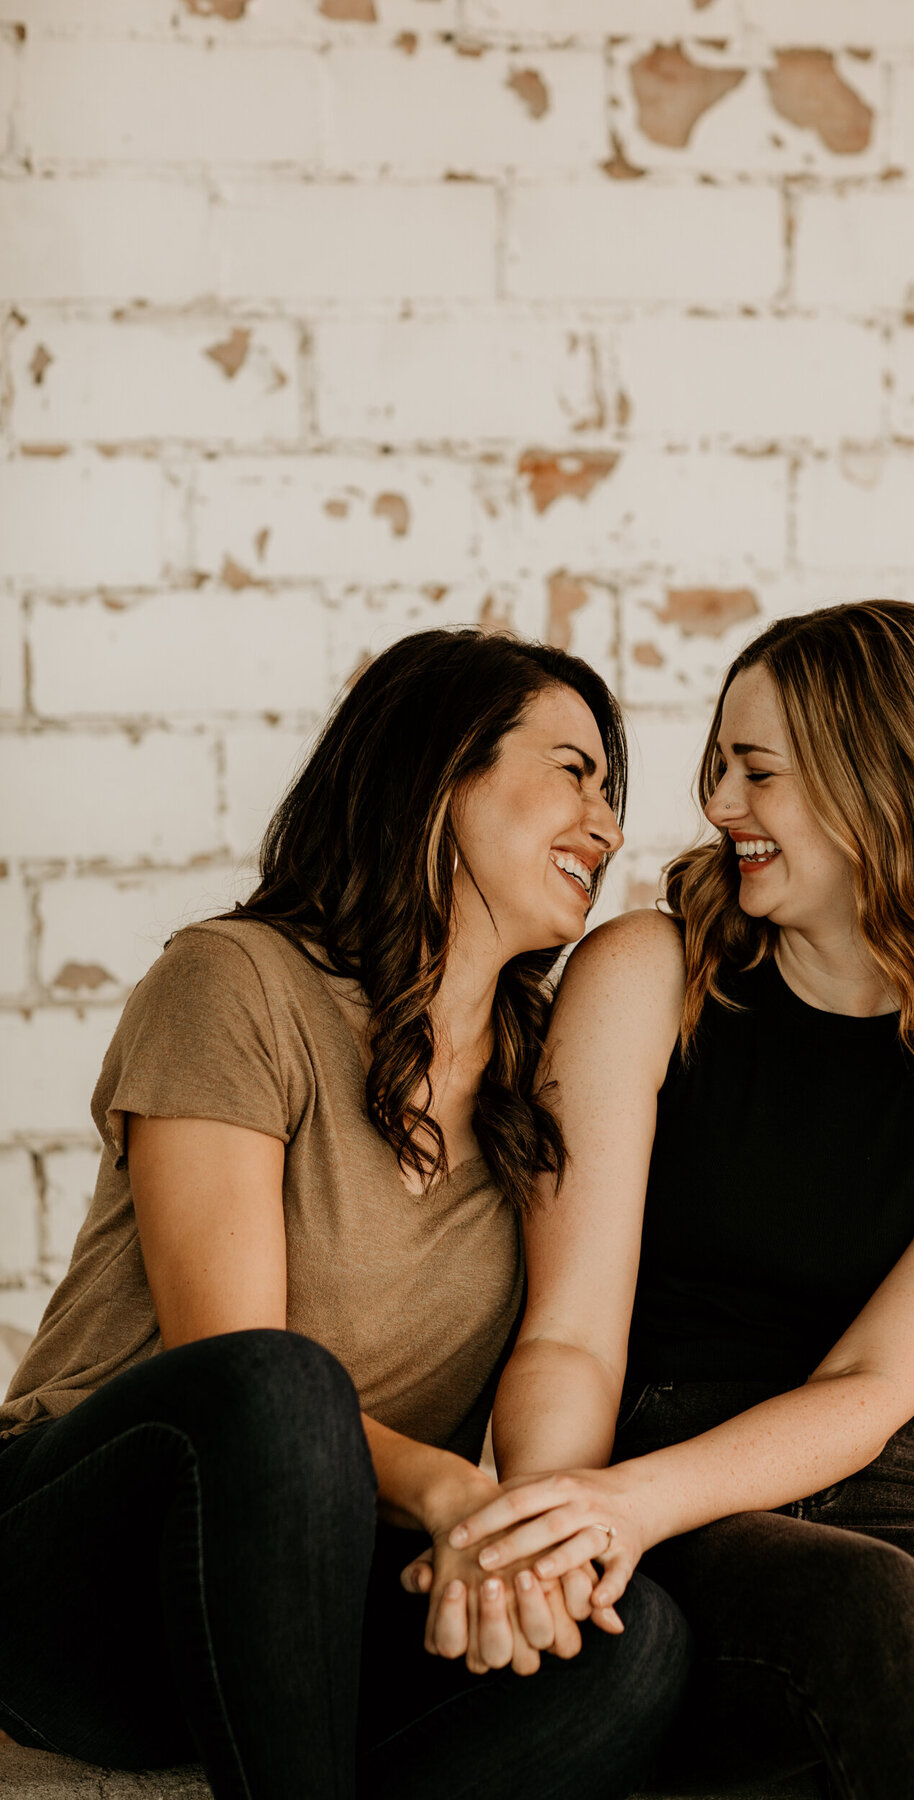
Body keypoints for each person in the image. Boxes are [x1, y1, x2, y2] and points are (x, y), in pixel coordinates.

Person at [425, 603, 914, 1800]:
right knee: (870, 1609)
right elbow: (570, 1332)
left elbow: (870, 1387)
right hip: (662, 1461)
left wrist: (624, 1504)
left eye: (758, 772)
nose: (719, 806)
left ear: (880, 784)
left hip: (891, 1470)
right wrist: (566, 1518)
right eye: (721, 767)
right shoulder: (649, 972)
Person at [0, 628, 691, 1800]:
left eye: (613, 794)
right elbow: (229, 1361)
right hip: (81, 1573)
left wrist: (513, 1551)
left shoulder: (545, 1081)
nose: (609, 826)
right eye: (575, 769)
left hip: (319, 1601)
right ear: (441, 769)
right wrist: (452, 1493)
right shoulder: (236, 981)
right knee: (282, 1386)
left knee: (629, 1647)